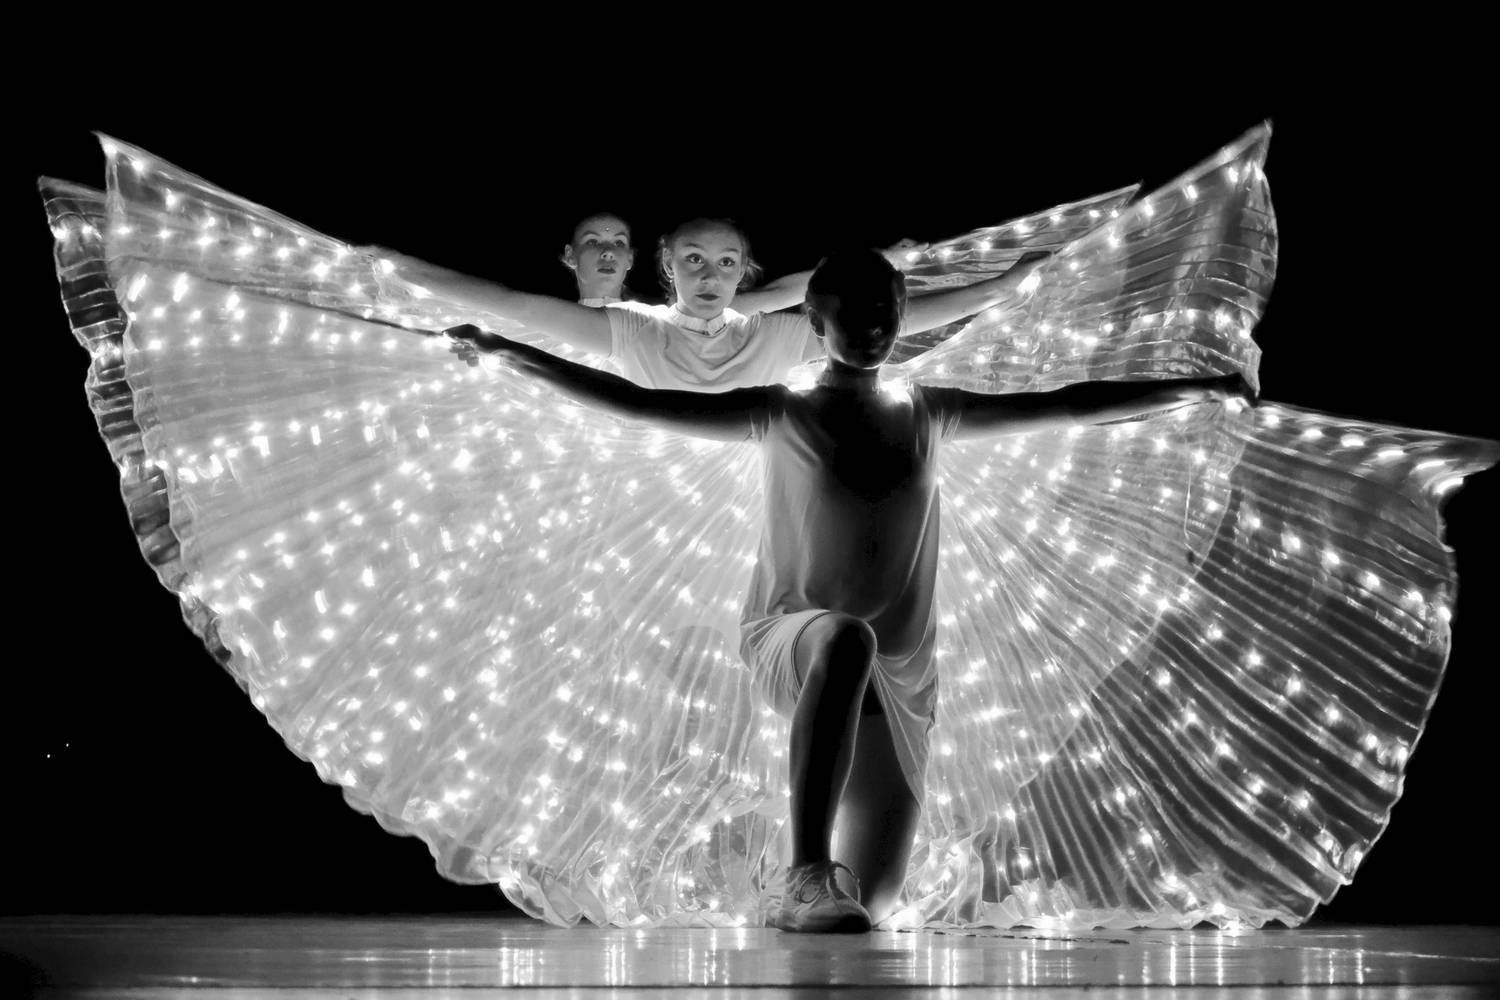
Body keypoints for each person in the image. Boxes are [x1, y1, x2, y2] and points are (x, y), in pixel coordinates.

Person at [446, 247, 1252, 931]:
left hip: (898, 677)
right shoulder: (781, 410)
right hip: (794, 637)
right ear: (816, 322)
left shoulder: (926, 412)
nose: (872, 328)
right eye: (853, 315)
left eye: (885, 314)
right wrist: (513, 353)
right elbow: (637, 403)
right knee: (844, 638)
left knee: (873, 905)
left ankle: (804, 888)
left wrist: (1196, 389)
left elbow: (1068, 407)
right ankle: (802, 871)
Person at [395, 217, 1025, 392]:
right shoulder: (633, 328)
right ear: (668, 266)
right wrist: (394, 267)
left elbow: (884, 320)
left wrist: (995, 290)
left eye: (726, 263)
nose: (709, 274)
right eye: (693, 259)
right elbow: (517, 305)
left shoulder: (770, 335)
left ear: (740, 273)